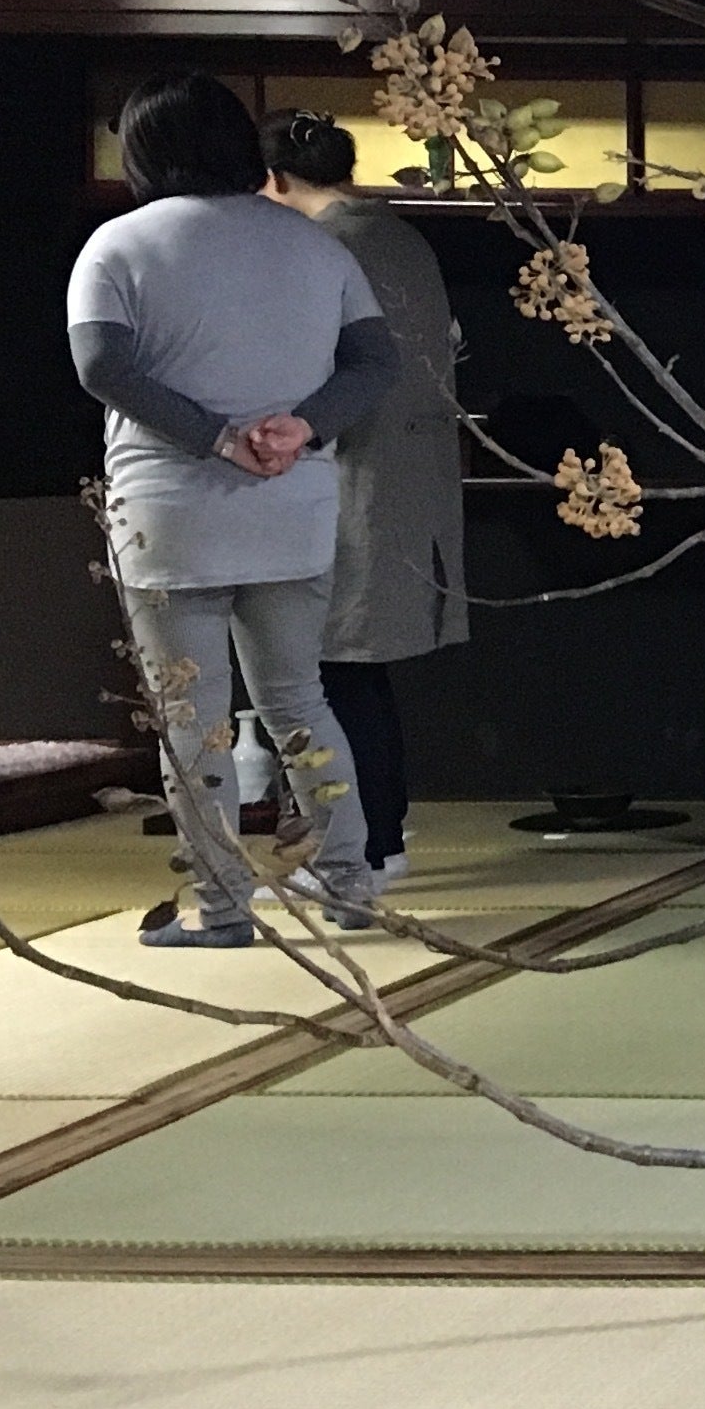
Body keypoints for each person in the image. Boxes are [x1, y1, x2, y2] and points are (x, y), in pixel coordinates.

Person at [69, 74, 402, 947]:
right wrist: (303, 425)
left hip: (170, 510)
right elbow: (375, 364)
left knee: (194, 721)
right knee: (301, 704)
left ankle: (221, 908)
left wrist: (217, 438)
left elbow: (101, 368)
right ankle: (349, 882)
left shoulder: (118, 244)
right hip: (292, 503)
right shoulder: (315, 247)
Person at [264, 110, 469, 885]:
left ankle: (368, 848)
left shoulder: (325, 248)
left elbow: (319, 368)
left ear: (274, 180)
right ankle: (385, 836)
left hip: (354, 477)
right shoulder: (401, 238)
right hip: (411, 477)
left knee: (334, 668)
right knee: (357, 670)